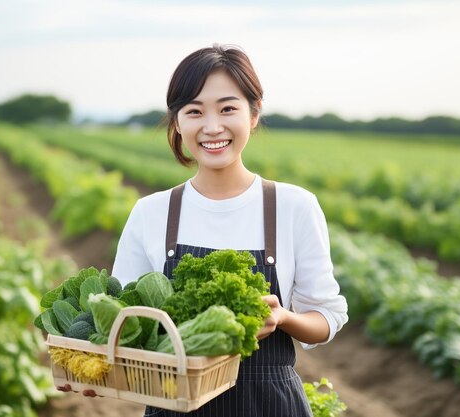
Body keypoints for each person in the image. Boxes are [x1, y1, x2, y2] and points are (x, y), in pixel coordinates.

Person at [112, 44, 348, 417]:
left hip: (270, 405)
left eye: (227, 108)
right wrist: (93, 367)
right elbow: (122, 323)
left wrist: (284, 318)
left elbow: (327, 318)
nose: (212, 127)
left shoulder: (293, 206)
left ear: (253, 114)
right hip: (175, 402)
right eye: (194, 111)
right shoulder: (151, 213)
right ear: (177, 122)